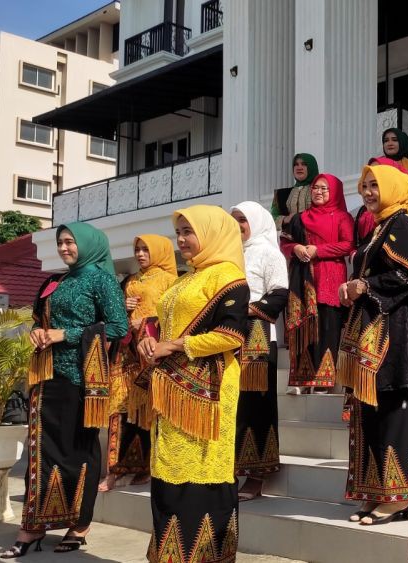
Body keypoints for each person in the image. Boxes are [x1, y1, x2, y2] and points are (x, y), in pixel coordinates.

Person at [3, 223, 127, 558]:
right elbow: (39, 320)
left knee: (79, 451)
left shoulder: (101, 280)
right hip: (47, 376)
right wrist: (40, 333)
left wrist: (65, 335)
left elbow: (118, 326)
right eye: (60, 242)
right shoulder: (54, 281)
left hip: (83, 380)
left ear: (87, 244)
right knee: (40, 450)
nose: (64, 248)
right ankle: (32, 526)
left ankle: (79, 525)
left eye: (70, 242)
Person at [135, 205, 249, 563]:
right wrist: (149, 341)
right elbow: (162, 325)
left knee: (200, 477)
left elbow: (232, 334)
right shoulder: (186, 278)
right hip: (173, 393)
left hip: (208, 395)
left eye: (189, 231)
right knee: (168, 475)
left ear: (212, 232)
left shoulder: (228, 276)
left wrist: (177, 345)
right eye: (179, 232)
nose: (181, 239)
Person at [337, 165, 408, 525]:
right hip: (376, 331)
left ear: (395, 187)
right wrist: (353, 286)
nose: (367, 192)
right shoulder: (379, 225)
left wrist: (365, 287)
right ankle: (375, 491)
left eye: (374, 186)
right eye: (364, 186)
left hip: (397, 335)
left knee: (396, 410)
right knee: (374, 412)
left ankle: (402, 496)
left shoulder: (403, 223)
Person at [100, 235, 177, 493]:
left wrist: (145, 323)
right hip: (127, 353)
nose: (140, 254)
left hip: (153, 351)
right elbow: (114, 316)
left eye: (146, 249)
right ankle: (114, 470)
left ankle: (148, 466)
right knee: (119, 407)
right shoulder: (131, 280)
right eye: (137, 249)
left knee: (152, 408)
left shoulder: (171, 282)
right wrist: (123, 307)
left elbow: (175, 317)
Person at [230, 201, 289, 501]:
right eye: (235, 219)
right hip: (229, 335)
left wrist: (243, 309)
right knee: (233, 401)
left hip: (258, 338)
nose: (238, 224)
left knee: (257, 404)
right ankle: (234, 466)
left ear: (256, 221)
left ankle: (257, 472)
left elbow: (279, 296)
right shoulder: (228, 253)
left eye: (243, 219)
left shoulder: (269, 253)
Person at [281, 173, 355, 394]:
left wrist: (318, 250)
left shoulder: (343, 217)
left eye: (325, 188)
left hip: (330, 276)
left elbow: (348, 244)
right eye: (315, 188)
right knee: (303, 326)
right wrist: (295, 248)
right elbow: (285, 241)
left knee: (328, 326)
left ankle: (324, 380)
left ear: (335, 192)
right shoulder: (299, 218)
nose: (319, 192)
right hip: (303, 278)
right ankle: (301, 379)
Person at [271, 153, 319, 230]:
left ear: (311, 167)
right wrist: (285, 219)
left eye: (304, 164)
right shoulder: (281, 194)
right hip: (290, 238)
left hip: (314, 237)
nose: (299, 168)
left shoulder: (320, 190)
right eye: (296, 164)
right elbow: (272, 218)